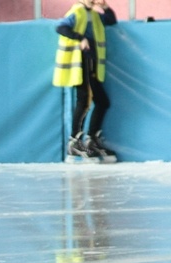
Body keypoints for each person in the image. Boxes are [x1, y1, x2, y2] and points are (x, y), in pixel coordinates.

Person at [53, 0, 118, 164]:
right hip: (81, 62)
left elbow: (111, 20)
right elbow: (61, 27)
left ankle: (92, 138)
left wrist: (104, 7)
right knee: (84, 100)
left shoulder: (94, 15)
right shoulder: (78, 12)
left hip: (93, 64)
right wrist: (80, 38)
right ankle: (74, 142)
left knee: (102, 101)